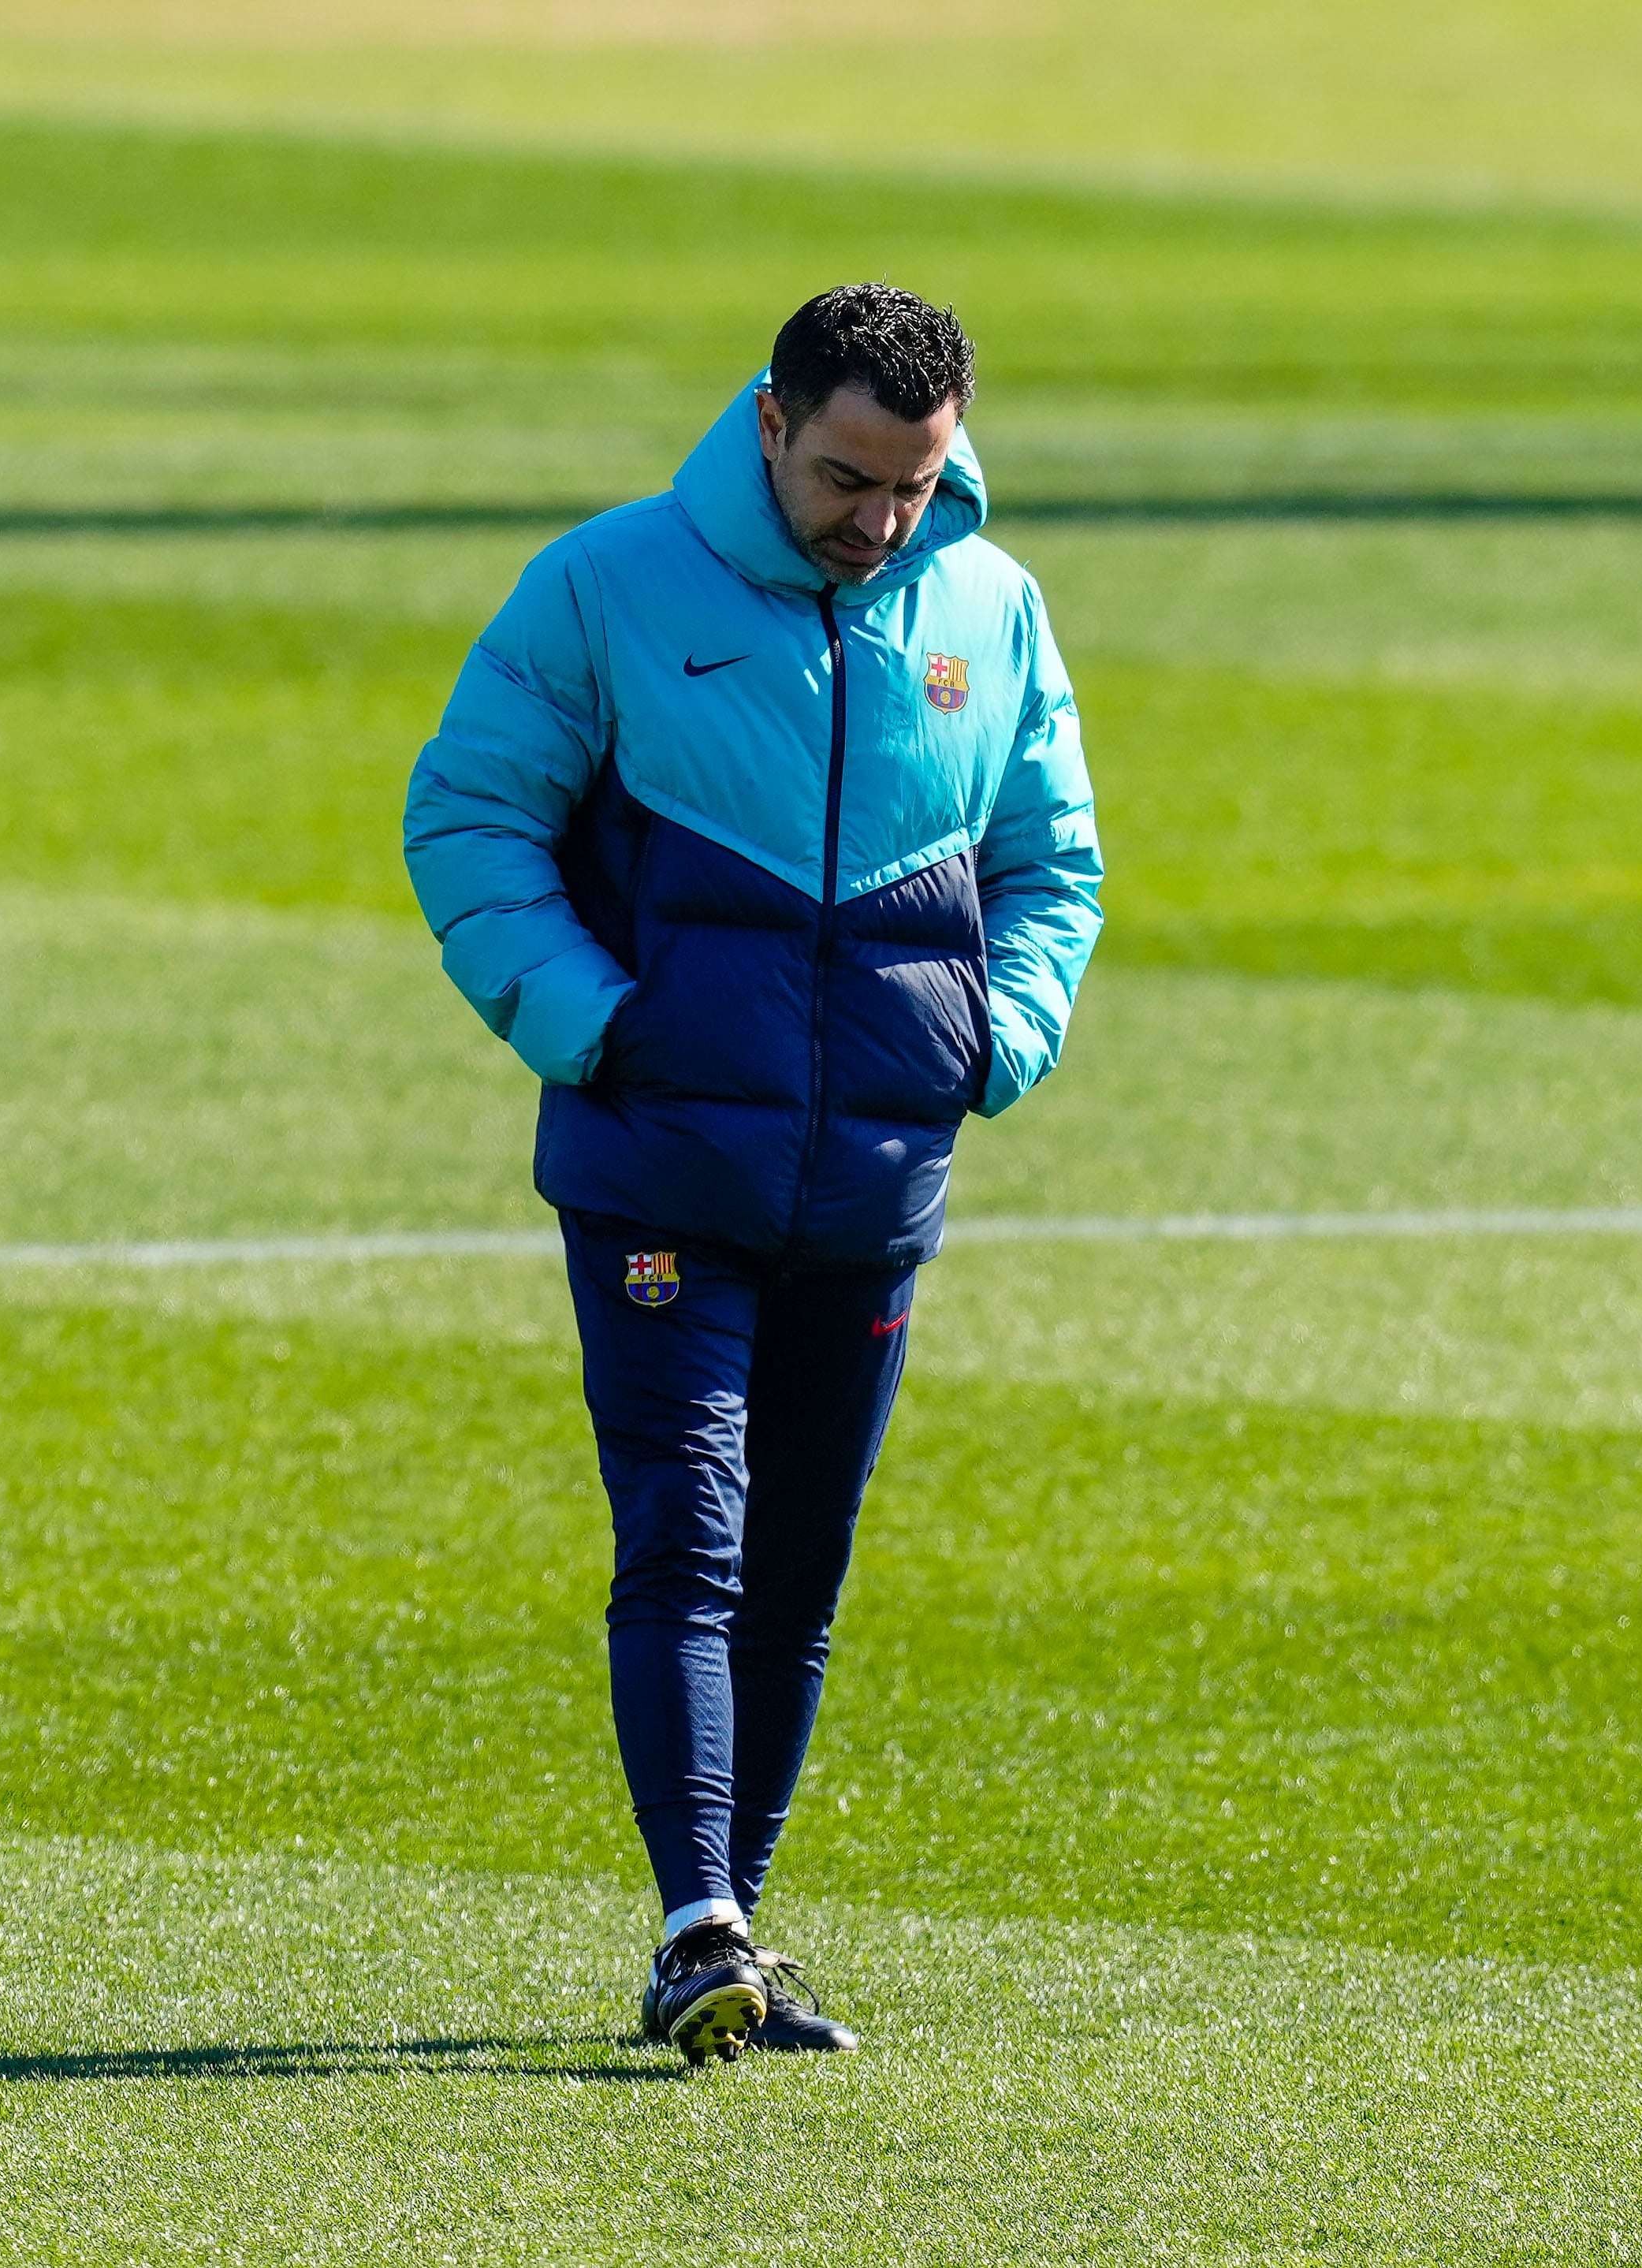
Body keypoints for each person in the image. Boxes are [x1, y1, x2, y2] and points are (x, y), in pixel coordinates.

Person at [404, 284, 1102, 2064]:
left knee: (797, 1563)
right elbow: (468, 815)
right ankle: (693, 1916)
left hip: (871, 1180)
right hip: (657, 1169)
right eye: (851, 475)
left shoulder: (987, 604)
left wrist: (992, 1039)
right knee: (687, 1535)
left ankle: (736, 1931)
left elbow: (1052, 859)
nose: (880, 519)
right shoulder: (608, 586)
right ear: (774, 420)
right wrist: (595, 1021)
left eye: (914, 482)